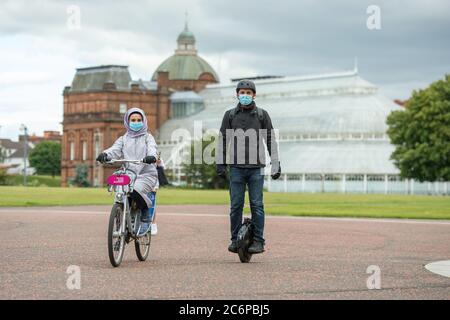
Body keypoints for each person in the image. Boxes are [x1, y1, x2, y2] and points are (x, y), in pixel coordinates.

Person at [216, 79, 281, 254]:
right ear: (237, 94)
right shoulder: (230, 115)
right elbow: (223, 139)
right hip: (236, 167)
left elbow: (270, 140)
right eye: (242, 93)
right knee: (235, 205)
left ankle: (259, 241)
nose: (245, 96)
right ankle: (234, 240)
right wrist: (220, 163)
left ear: (254, 95)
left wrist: (275, 163)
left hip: (257, 167)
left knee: (257, 204)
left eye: (248, 93)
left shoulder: (262, 115)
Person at [96, 107, 158, 236]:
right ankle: (120, 218)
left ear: (144, 121)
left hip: (146, 174)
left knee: (135, 189)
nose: (136, 122)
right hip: (128, 174)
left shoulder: (148, 137)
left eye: (139, 120)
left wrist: (151, 157)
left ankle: (145, 211)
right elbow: (114, 150)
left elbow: (153, 149)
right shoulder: (123, 139)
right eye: (133, 120)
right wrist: (105, 154)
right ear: (127, 122)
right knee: (120, 190)